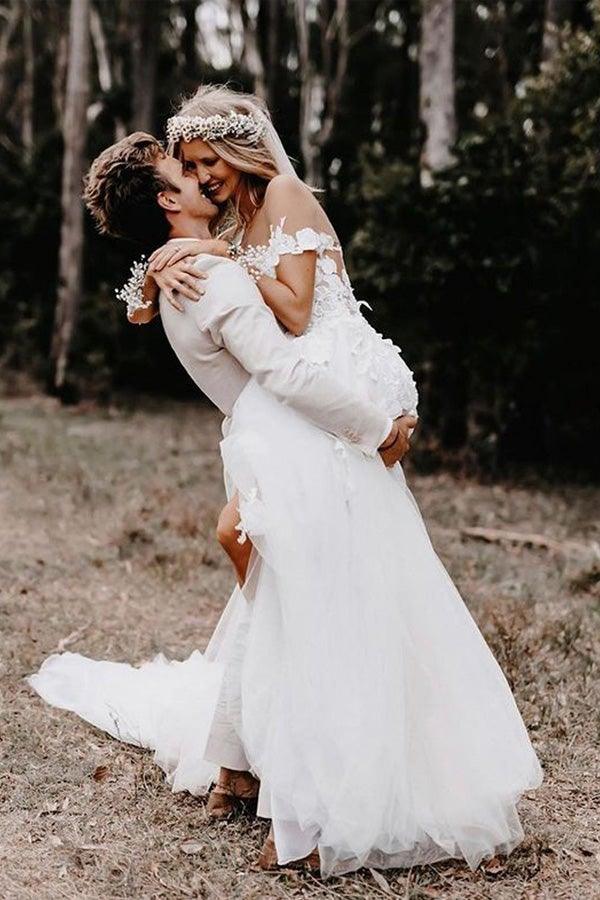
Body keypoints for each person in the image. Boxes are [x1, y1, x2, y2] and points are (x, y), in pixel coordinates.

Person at [30, 127, 543, 878]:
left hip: (262, 446)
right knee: (319, 625)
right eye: (185, 171)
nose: (203, 179)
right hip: (296, 449)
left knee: (275, 613)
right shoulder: (213, 281)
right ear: (169, 198)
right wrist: (376, 430)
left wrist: (169, 269)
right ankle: (307, 819)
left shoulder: (180, 276)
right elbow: (287, 374)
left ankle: (237, 773)